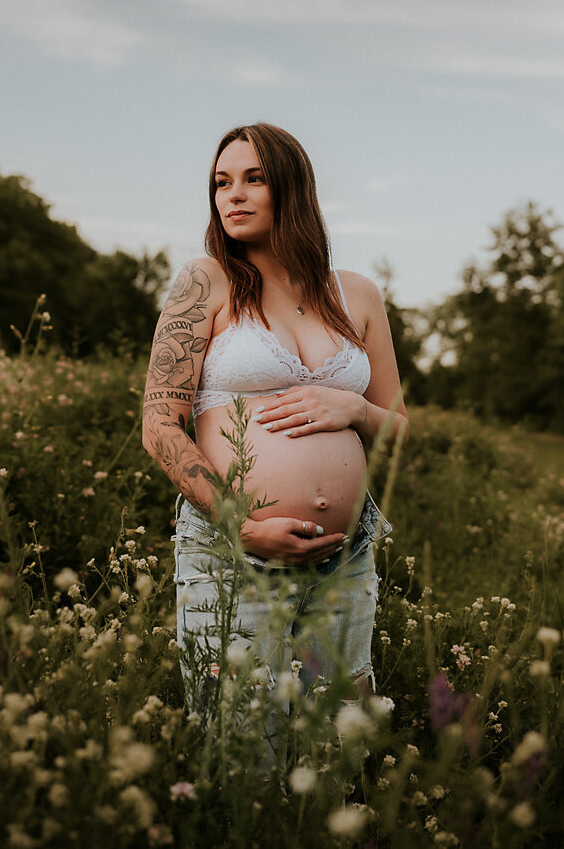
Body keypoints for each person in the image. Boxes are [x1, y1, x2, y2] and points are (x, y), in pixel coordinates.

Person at [141, 122, 409, 711]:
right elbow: (159, 425)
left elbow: (399, 426)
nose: (232, 195)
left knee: (340, 740)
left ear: (292, 188)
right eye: (221, 182)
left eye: (253, 179)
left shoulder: (357, 294)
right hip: (234, 549)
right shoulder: (205, 282)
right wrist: (239, 524)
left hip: (345, 553)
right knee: (245, 745)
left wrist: (356, 408)